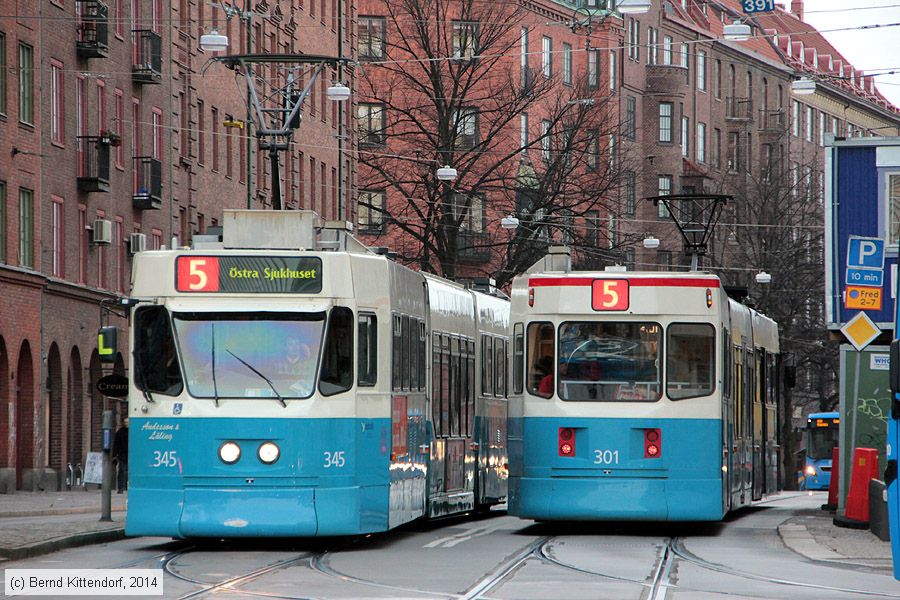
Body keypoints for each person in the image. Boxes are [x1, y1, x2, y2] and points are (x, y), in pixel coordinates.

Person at [112, 417, 129, 493]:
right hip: (122, 454)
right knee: (122, 470)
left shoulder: (134, 431)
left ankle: (127, 486)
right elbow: (116, 444)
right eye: (125, 422)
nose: (127, 424)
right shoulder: (120, 432)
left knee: (127, 471)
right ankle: (121, 488)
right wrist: (114, 455)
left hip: (131, 454)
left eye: (128, 422)